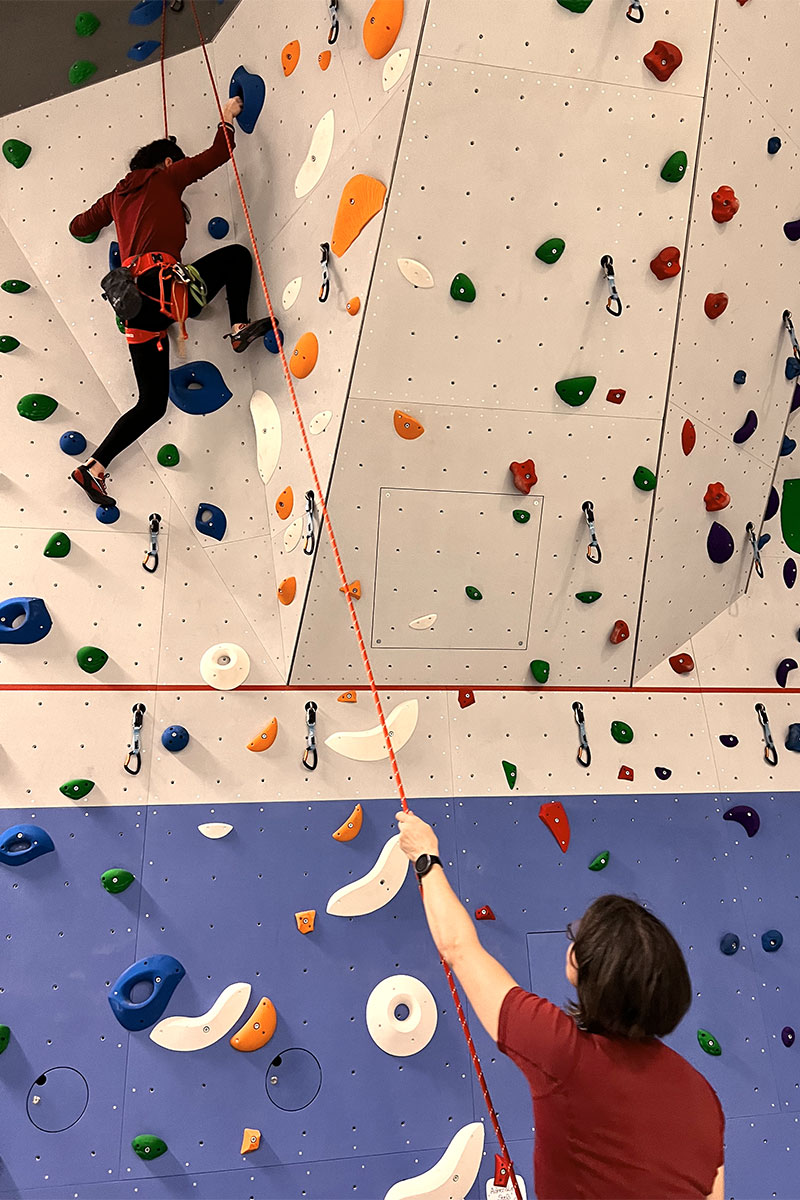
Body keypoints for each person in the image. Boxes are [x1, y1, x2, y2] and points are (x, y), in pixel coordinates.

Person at [396, 809, 725, 1200]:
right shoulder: (704, 1095)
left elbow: (459, 948)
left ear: (581, 964)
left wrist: (426, 857)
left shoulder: (564, 1052)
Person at [67, 96, 274, 509]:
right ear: (166, 162)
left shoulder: (115, 197)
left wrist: (109, 216)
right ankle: (237, 328)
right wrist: (227, 118)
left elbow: (78, 226)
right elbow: (219, 153)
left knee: (151, 404)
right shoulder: (165, 177)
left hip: (138, 307)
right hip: (166, 287)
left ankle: (94, 467)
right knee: (236, 256)